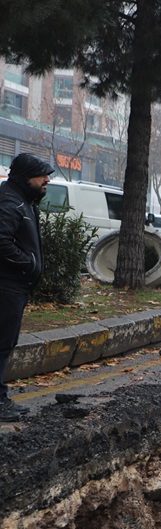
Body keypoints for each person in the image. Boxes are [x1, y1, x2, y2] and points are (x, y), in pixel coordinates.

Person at [0, 153, 54, 422]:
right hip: (7, 287)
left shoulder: (23, 200)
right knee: (1, 344)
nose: (47, 180)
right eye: (41, 175)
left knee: (5, 344)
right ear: (25, 178)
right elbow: (1, 242)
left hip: (15, 286)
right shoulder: (10, 201)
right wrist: (29, 264)